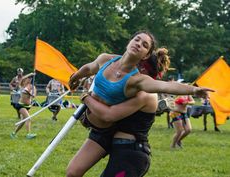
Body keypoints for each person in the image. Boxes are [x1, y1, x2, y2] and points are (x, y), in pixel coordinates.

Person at [67, 30, 213, 176]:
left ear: (146, 55)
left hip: (115, 131)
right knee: (72, 173)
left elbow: (165, 86)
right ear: (130, 41)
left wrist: (194, 90)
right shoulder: (106, 59)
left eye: (144, 45)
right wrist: (76, 76)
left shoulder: (137, 80)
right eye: (136, 39)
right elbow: (89, 68)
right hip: (100, 131)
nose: (138, 44)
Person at [10, 72, 37, 139]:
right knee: (28, 119)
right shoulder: (22, 85)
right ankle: (28, 134)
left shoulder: (32, 87)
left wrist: (30, 94)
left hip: (28, 106)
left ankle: (13, 133)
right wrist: (30, 74)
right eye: (28, 78)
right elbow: (22, 78)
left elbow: (34, 96)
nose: (29, 79)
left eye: (30, 78)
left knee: (22, 122)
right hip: (21, 105)